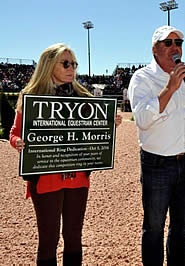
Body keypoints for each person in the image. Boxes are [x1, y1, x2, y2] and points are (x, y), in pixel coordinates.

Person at [9, 43, 122, 266]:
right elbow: (14, 132)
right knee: (48, 240)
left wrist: (111, 122)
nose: (72, 68)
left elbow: (97, 130)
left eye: (74, 64)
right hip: (45, 177)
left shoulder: (83, 96)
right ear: (49, 65)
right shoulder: (32, 97)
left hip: (78, 178)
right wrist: (18, 142)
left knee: (74, 238)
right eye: (66, 63)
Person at [127, 25, 185, 265]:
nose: (174, 47)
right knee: (154, 227)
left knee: (182, 227)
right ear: (155, 49)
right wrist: (170, 88)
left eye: (178, 42)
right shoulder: (142, 78)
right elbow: (143, 120)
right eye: (167, 43)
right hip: (157, 164)